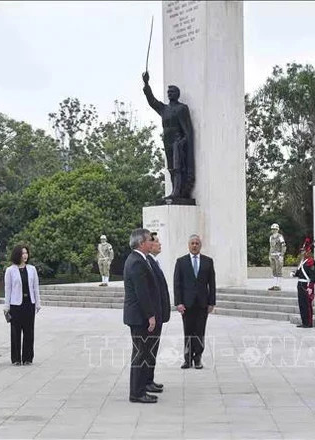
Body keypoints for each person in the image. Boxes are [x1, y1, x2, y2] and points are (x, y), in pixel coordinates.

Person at [142, 71, 195, 200]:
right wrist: (146, 84)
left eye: (172, 92)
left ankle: (178, 191)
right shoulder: (163, 109)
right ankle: (174, 190)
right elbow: (152, 101)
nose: (169, 94)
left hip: (177, 140)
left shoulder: (182, 108)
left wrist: (183, 141)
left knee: (178, 167)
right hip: (167, 140)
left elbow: (188, 129)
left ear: (177, 94)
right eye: (168, 92)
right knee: (171, 167)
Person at [123, 228, 161, 403]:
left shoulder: (138, 259)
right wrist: (150, 315)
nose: (150, 243)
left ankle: (140, 388)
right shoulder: (137, 262)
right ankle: (137, 392)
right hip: (139, 317)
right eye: (148, 240)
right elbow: (142, 293)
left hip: (138, 316)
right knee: (140, 354)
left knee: (142, 353)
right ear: (141, 243)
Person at [174, 235, 216, 369]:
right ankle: (187, 359)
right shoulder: (181, 262)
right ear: (188, 245)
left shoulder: (208, 261)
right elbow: (177, 284)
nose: (194, 245)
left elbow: (212, 284)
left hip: (203, 304)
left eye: (197, 243)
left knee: (200, 332)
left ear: (200, 245)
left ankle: (197, 358)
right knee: (188, 331)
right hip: (187, 304)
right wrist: (178, 302)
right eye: (192, 243)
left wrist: (212, 302)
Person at [4, 245, 41, 366]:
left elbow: (35, 288)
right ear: (17, 255)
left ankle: (28, 358)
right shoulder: (10, 270)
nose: (25, 255)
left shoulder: (32, 269)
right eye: (22, 253)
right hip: (16, 305)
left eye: (26, 253)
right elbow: (8, 289)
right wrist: (6, 306)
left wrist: (38, 303)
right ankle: (16, 359)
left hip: (29, 304)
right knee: (15, 332)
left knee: (29, 331)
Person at [147, 232, 171, 392]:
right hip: (153, 314)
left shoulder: (153, 261)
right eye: (157, 242)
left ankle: (149, 379)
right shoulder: (147, 262)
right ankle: (146, 381)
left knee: (152, 350)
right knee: (148, 351)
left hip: (159, 312)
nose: (160, 244)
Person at [291, 238, 315, 328]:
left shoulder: (311, 262)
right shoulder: (303, 262)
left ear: (308, 252)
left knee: (307, 305)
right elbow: (299, 273)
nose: (302, 253)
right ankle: (304, 322)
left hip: (306, 285)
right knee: (301, 304)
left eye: (304, 251)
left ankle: (308, 323)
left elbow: (313, 276)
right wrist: (294, 274)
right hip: (300, 284)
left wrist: (311, 287)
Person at [268, 223, 287, 291]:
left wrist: (282, 255)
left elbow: (283, 246)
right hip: (272, 255)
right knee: (274, 270)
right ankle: (274, 285)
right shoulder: (271, 237)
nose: (273, 230)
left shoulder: (280, 236)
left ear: (277, 229)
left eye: (275, 229)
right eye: (272, 229)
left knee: (279, 270)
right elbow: (271, 247)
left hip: (278, 255)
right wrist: (269, 255)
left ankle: (278, 285)